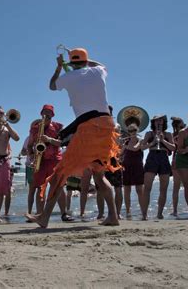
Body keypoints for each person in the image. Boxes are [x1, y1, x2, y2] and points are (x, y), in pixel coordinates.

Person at [26, 47, 120, 228]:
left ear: (71, 63)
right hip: (108, 125)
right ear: (86, 61)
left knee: (60, 173)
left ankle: (44, 218)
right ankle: (113, 217)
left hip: (89, 127)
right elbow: (102, 65)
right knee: (99, 176)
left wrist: (60, 67)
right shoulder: (97, 70)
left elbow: (52, 85)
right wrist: (84, 61)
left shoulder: (68, 77)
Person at [26, 104, 63, 216]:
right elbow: (29, 146)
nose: (47, 115)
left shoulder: (58, 126)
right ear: (41, 114)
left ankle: (64, 213)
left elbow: (63, 142)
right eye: (45, 113)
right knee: (39, 188)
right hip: (40, 161)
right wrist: (32, 156)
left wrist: (49, 140)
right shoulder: (35, 128)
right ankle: (39, 213)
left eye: (49, 113)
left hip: (54, 160)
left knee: (58, 187)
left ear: (53, 115)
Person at [140, 115, 175, 220]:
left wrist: (163, 140)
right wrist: (153, 142)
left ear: (164, 122)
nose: (159, 123)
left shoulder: (168, 134)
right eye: (156, 121)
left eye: (161, 121)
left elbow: (173, 148)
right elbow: (142, 147)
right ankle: (144, 215)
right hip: (152, 157)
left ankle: (159, 213)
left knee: (163, 189)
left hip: (164, 158)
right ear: (153, 123)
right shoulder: (149, 133)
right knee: (147, 188)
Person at [121, 123, 145, 218]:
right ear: (128, 132)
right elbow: (120, 153)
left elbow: (135, 149)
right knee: (127, 191)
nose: (132, 132)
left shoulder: (141, 140)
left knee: (140, 190)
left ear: (137, 130)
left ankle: (143, 212)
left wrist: (124, 145)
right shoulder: (126, 142)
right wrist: (118, 143)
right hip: (127, 167)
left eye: (134, 130)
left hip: (137, 167)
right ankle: (128, 212)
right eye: (130, 131)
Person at [169, 117, 186, 216]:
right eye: (181, 126)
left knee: (186, 186)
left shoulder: (184, 133)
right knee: (178, 186)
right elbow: (171, 150)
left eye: (184, 125)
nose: (183, 127)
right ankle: (175, 210)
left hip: (183, 160)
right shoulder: (174, 136)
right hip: (178, 160)